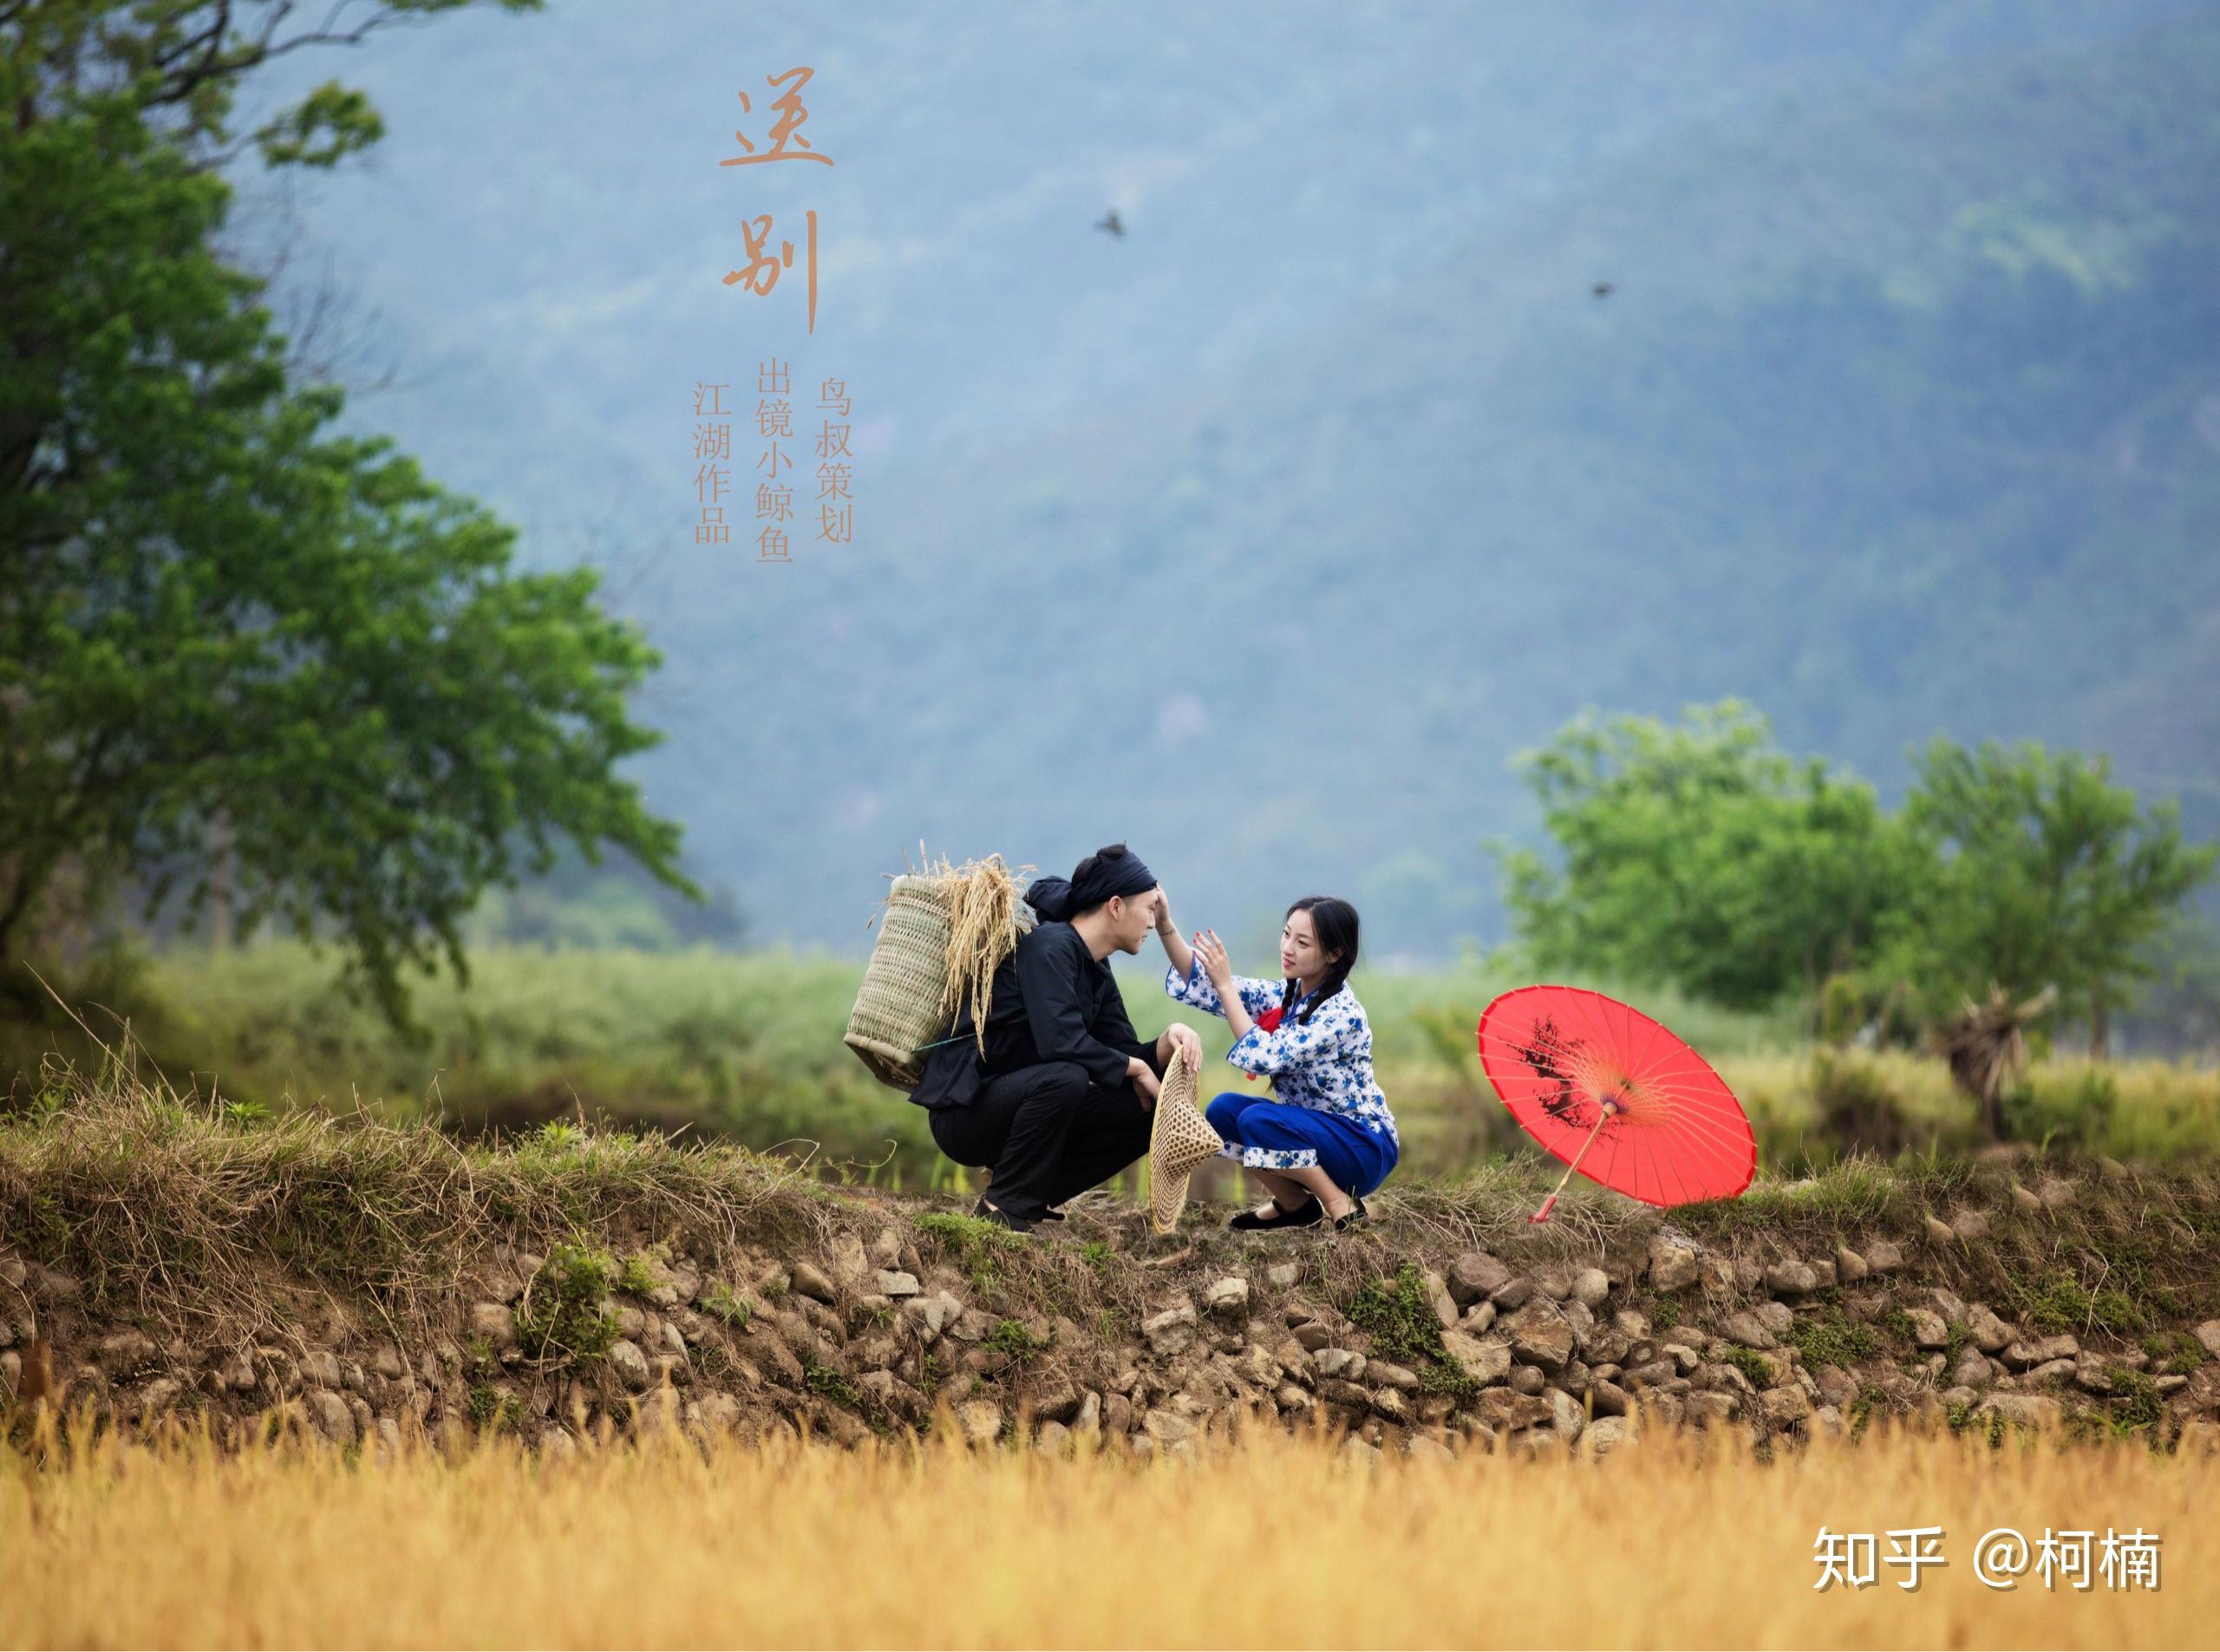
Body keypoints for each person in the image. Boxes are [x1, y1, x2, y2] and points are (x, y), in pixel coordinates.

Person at [911, 844, 1203, 1232]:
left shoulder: (1097, 969)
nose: (1153, 922)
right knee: (1068, 1076)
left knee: (1149, 1110)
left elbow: (1120, 1054)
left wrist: (1165, 1045)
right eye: (1150, 908)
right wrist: (1135, 1067)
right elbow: (1061, 1042)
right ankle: (1001, 1206)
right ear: (1116, 906)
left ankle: (1032, 1193)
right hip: (965, 1112)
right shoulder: (1050, 945)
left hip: (1025, 1103)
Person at [1157, 893, 1397, 1231]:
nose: (1288, 948)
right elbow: (1204, 982)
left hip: (1363, 1147)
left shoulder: (1342, 1014)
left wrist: (1225, 986)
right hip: (1315, 1134)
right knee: (1223, 1112)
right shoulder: (1289, 996)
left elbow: (1265, 1056)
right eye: (1287, 935)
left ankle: (1338, 1203)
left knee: (1257, 1120)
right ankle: (1295, 1205)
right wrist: (1164, 924)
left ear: (1335, 953)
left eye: (1303, 943)